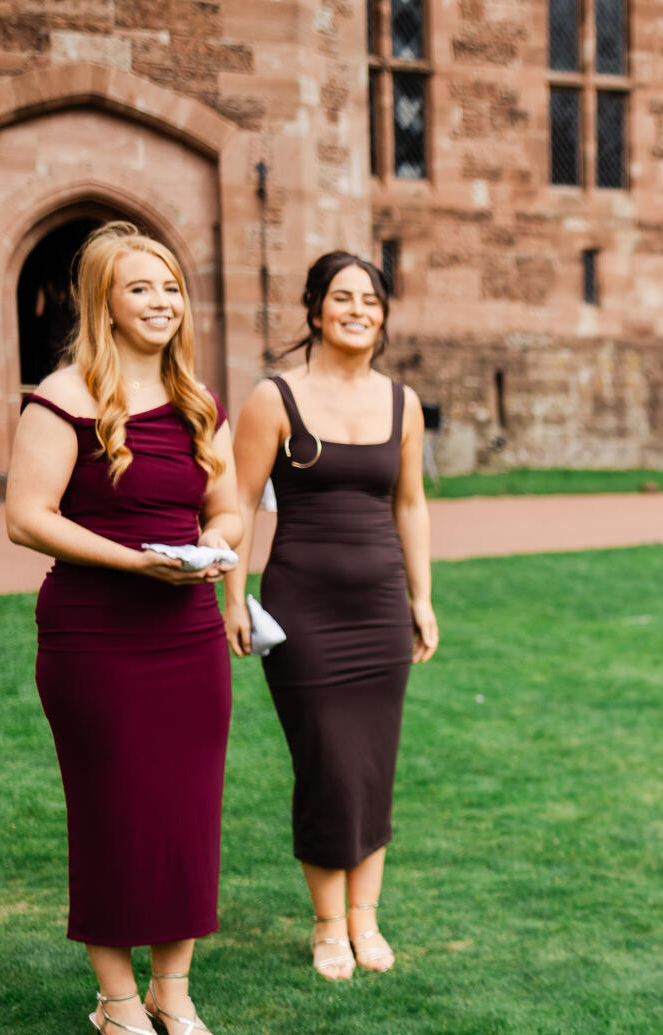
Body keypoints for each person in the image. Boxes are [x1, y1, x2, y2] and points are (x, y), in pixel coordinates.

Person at [5, 221, 241, 1035]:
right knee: (111, 816)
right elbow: (26, 517)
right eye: (141, 287)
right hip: (94, 634)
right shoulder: (62, 397)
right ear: (103, 302)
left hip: (187, 635)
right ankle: (115, 1004)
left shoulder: (197, 401)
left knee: (186, 816)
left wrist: (213, 543)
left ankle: (172, 993)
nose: (162, 301)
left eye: (171, 287)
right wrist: (137, 563)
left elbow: (229, 506)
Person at [225, 252, 438, 980]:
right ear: (315, 309)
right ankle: (326, 926)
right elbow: (238, 502)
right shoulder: (274, 399)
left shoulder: (403, 403)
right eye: (342, 298)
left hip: (380, 610)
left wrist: (421, 598)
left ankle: (365, 919)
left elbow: (410, 504)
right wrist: (233, 596)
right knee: (325, 765)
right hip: (303, 612)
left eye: (371, 300)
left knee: (374, 765)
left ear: (384, 316)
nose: (358, 311)